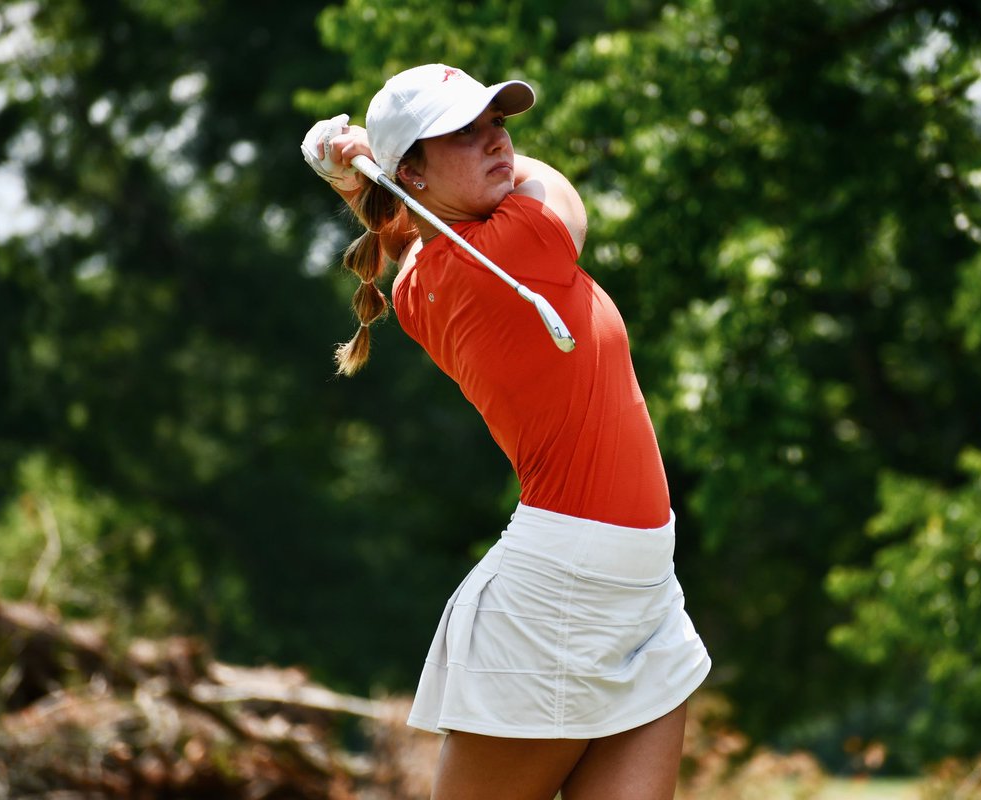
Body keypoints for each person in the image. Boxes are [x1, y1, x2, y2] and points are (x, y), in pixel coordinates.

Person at [301, 63, 710, 800]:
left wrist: (365, 179)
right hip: (560, 596)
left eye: (497, 121)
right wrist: (367, 173)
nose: (498, 141)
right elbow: (557, 187)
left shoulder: (421, 280)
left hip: (643, 587)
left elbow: (415, 236)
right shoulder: (514, 248)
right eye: (463, 131)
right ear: (413, 175)